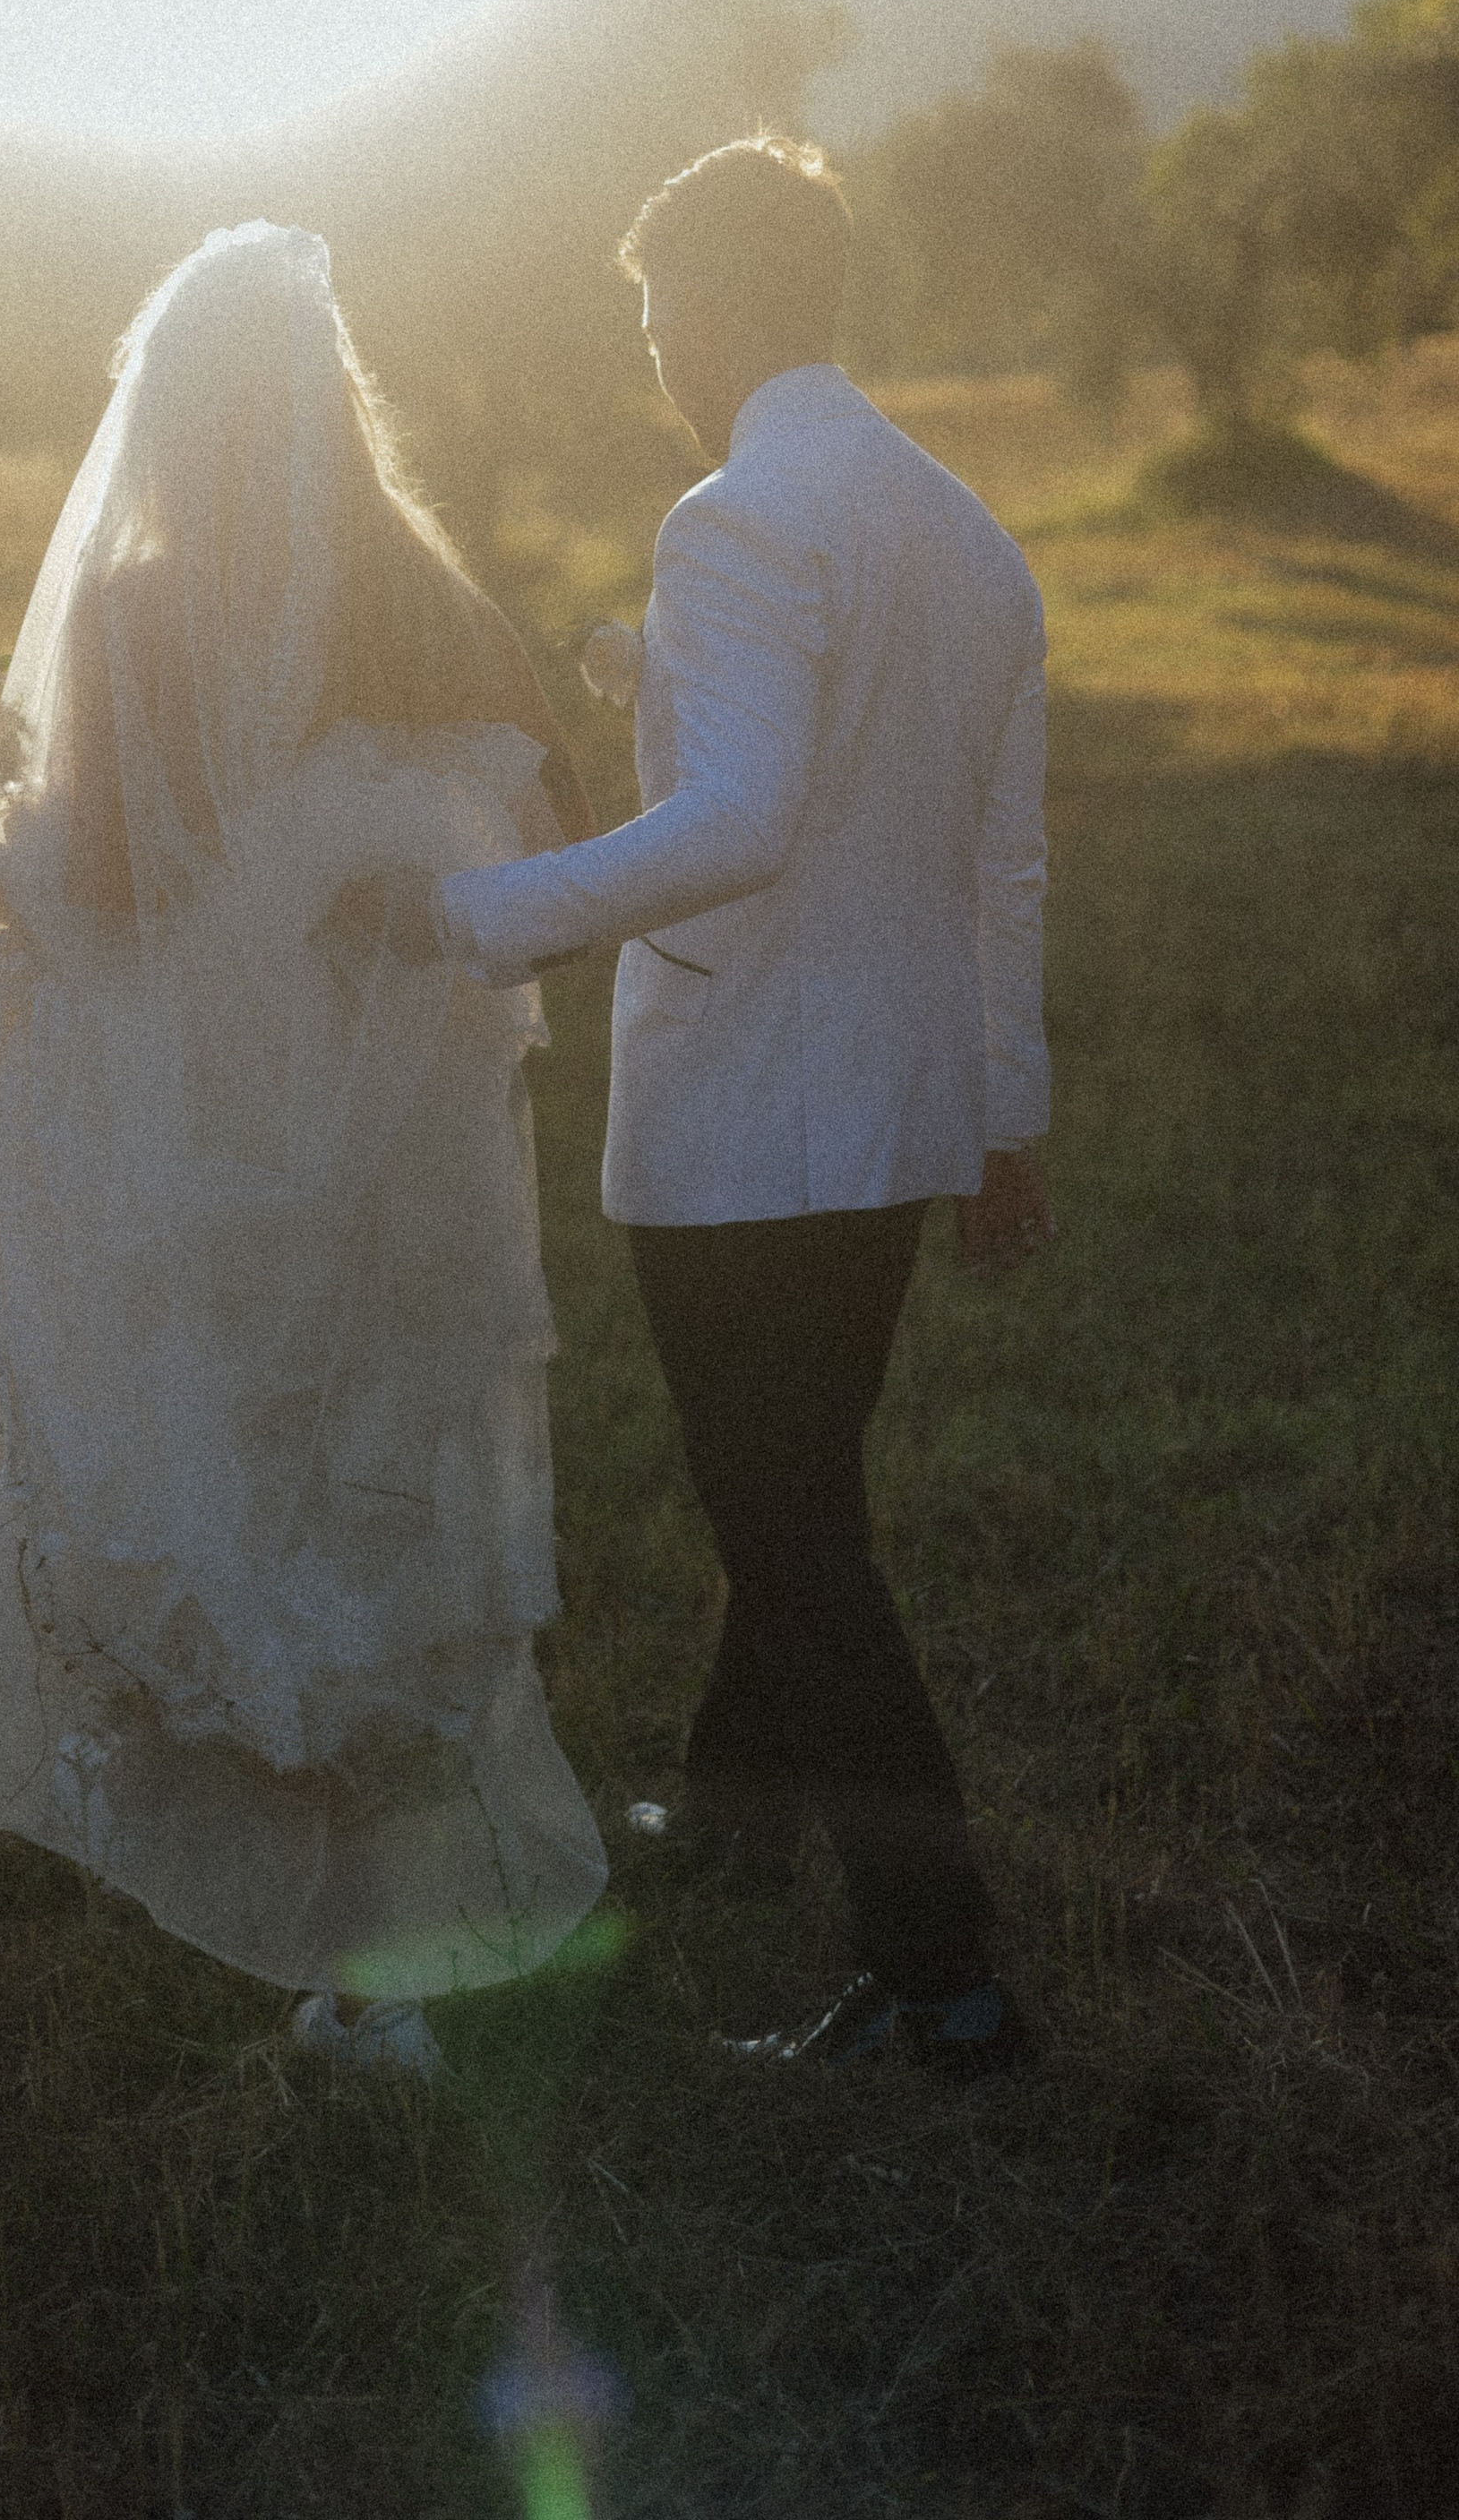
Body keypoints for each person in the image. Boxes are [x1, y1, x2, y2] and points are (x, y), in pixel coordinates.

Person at [0, 221, 607, 2079]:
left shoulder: (154, 611)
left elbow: (121, 901)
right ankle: (424, 1932)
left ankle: (345, 1939)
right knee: (394, 1492)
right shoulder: (445, 608)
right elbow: (556, 863)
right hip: (414, 1165)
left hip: (211, 1157)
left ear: (166, 416)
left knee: (238, 1503)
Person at [342, 136, 1052, 2079]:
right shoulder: (958, 526)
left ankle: (944, 1982)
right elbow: (994, 852)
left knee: (790, 1525)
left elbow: (742, 822)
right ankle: (725, 1830)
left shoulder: (735, 514)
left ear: (717, 307)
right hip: (892, 1113)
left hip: (746, 1119)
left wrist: (465, 916)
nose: (653, 353)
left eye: (656, 315)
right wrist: (1002, 1112)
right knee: (793, 1487)